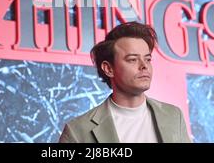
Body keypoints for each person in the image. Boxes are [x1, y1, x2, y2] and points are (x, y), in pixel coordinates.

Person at [58, 21, 191, 143]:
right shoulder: (77, 131)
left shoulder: (173, 116)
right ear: (108, 68)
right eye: (132, 59)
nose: (144, 65)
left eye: (148, 59)